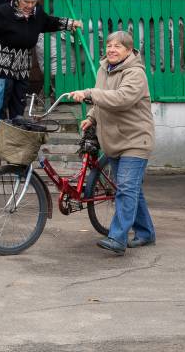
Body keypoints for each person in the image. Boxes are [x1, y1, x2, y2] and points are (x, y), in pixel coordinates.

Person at [68, 30, 156, 256]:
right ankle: (146, 233)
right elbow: (102, 102)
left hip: (135, 140)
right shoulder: (104, 68)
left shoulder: (136, 74)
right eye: (109, 45)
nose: (111, 50)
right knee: (130, 189)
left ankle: (117, 238)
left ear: (129, 51)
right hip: (113, 140)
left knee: (126, 188)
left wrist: (89, 92)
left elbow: (121, 99)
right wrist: (91, 118)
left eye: (117, 46)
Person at [0, 0, 82, 133]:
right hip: (3, 62)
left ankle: (16, 131)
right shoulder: (3, 12)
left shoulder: (37, 13)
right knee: (1, 99)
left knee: (19, 98)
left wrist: (70, 23)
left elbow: (49, 22)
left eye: (33, 2)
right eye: (26, 1)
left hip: (23, 62)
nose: (29, 5)